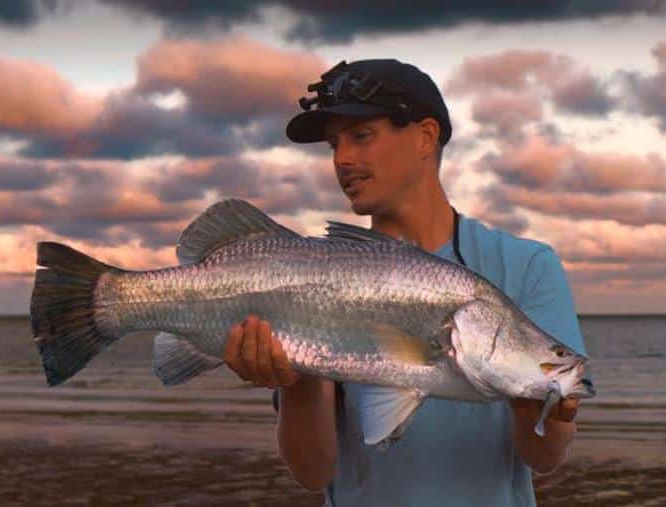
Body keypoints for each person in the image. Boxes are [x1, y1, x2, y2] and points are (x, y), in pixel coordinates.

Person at [221, 58, 588, 507]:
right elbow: (313, 472)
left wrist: (536, 411)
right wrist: (297, 383)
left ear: (425, 136)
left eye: (362, 135)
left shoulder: (528, 265)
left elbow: (545, 457)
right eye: (334, 144)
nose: (342, 159)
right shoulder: (314, 277)